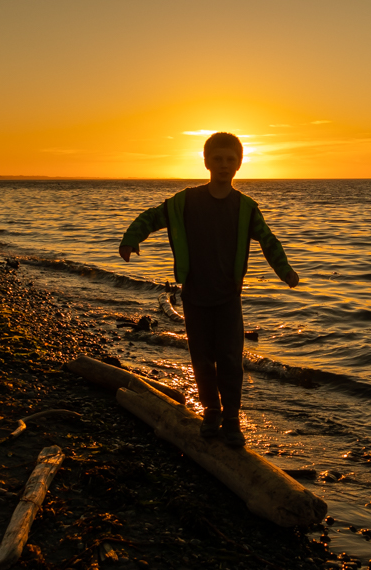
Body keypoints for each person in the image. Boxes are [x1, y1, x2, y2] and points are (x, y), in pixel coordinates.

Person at [118, 132, 299, 446]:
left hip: (228, 297)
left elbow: (268, 240)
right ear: (206, 162)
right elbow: (152, 217)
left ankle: (232, 419)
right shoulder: (185, 201)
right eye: (218, 159)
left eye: (230, 159)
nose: (224, 164)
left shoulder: (245, 207)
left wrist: (285, 271)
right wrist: (131, 239)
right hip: (194, 295)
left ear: (239, 164)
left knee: (230, 359)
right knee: (202, 360)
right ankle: (211, 411)